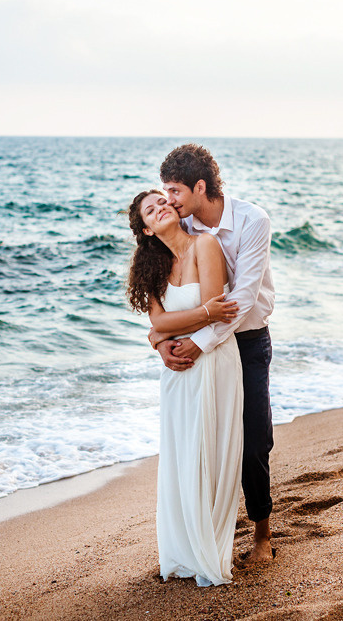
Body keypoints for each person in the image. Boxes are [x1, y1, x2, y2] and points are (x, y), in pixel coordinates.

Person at [152, 144, 276, 565]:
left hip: (247, 341)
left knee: (255, 441)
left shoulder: (252, 221)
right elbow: (163, 289)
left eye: (174, 190)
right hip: (201, 344)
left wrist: (198, 341)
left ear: (199, 186)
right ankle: (203, 537)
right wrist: (158, 341)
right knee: (204, 441)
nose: (169, 199)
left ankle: (262, 535)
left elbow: (239, 300)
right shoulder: (181, 225)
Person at [127, 189, 244, 586]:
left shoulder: (205, 245)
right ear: (146, 228)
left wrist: (175, 325)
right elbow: (159, 323)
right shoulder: (152, 270)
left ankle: (210, 549)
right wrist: (167, 335)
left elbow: (216, 316)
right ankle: (183, 553)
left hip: (213, 362)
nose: (161, 206)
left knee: (211, 453)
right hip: (176, 370)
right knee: (181, 457)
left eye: (163, 200)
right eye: (151, 209)